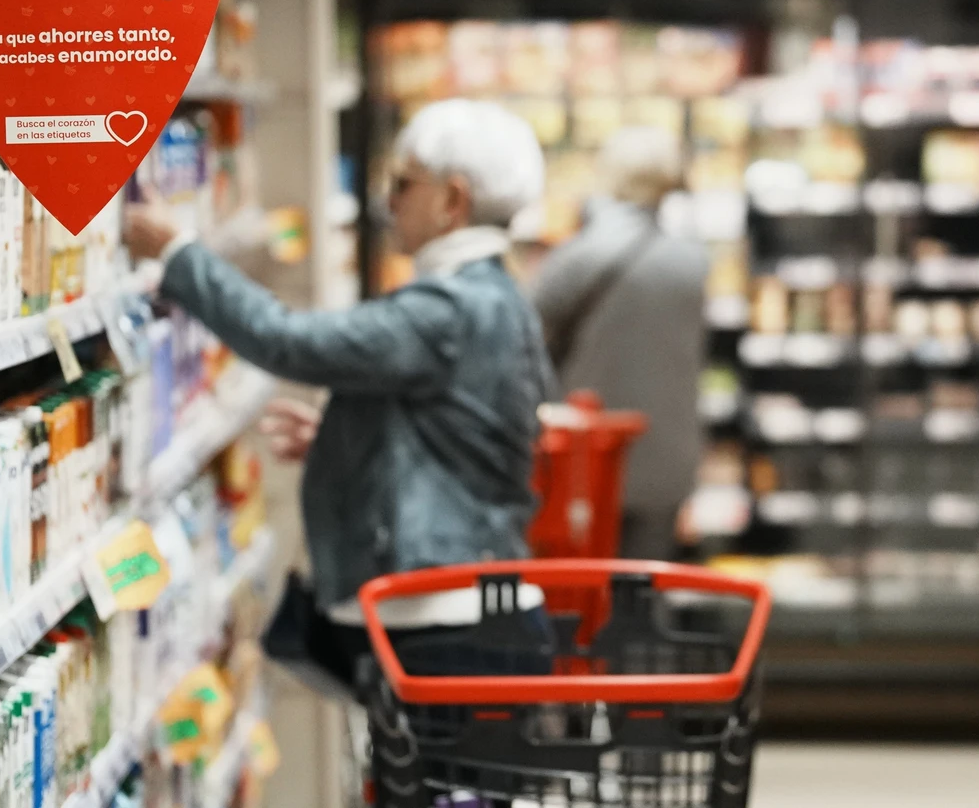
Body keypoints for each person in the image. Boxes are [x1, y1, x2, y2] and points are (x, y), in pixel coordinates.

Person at [122, 98, 554, 688]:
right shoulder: (494, 297)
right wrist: (348, 440)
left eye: (404, 184)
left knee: (430, 779)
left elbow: (289, 342)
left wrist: (179, 254)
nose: (389, 201)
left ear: (453, 201)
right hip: (463, 608)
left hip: (440, 617)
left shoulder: (449, 310)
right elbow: (455, 433)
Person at [531, 127, 709, 561]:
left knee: (581, 595)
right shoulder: (692, 262)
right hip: (667, 459)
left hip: (587, 460)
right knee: (645, 591)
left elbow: (527, 340)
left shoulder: (577, 258)